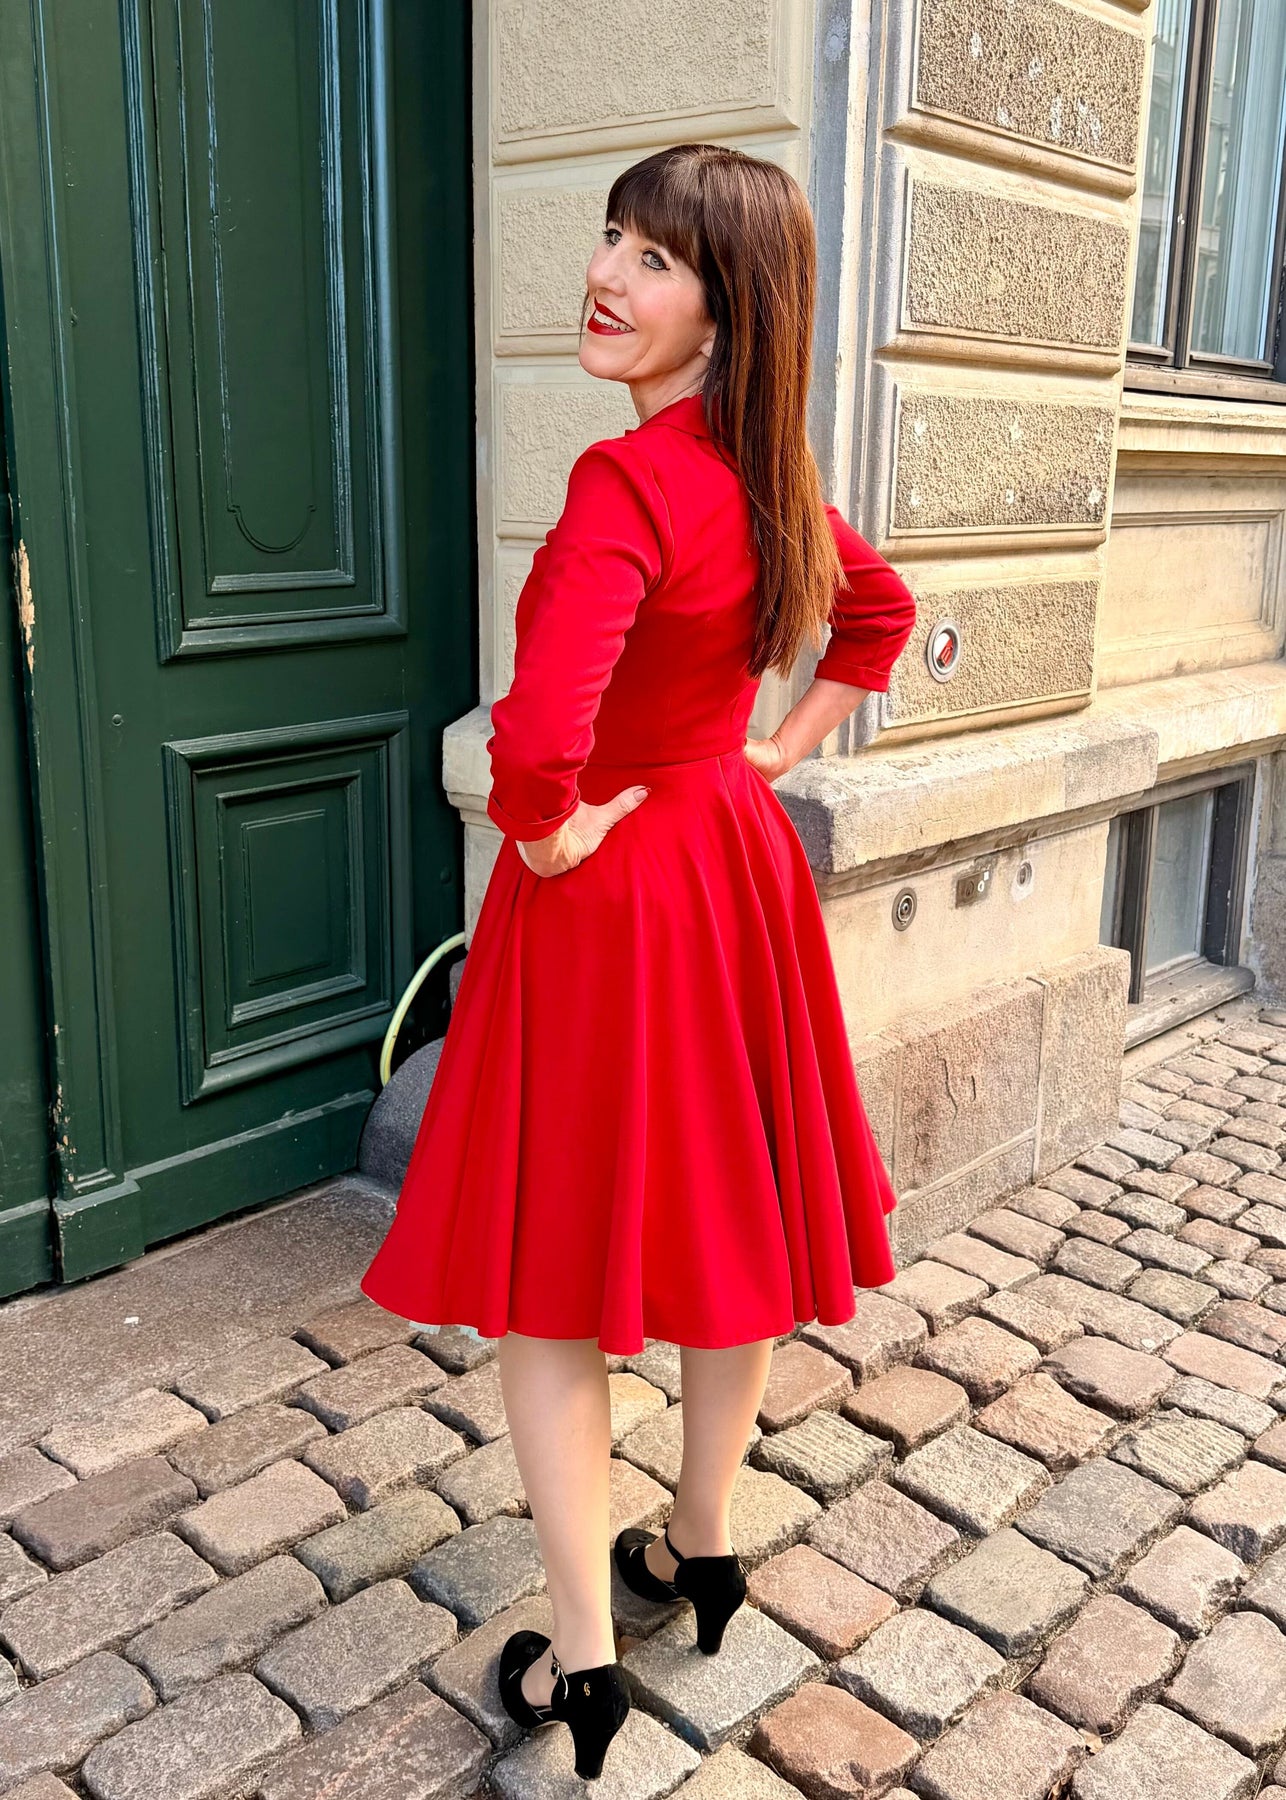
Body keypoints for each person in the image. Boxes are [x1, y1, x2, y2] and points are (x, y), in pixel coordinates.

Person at [360, 141, 917, 1780]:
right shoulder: (766, 479)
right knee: (725, 1217)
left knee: (554, 1273)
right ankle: (698, 1542)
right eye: (611, 238)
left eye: (655, 259)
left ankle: (582, 1665)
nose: (606, 274)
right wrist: (768, 755)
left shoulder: (628, 484)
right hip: (726, 871)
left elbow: (539, 739)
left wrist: (539, 833)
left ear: (727, 308)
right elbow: (877, 618)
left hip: (608, 894)